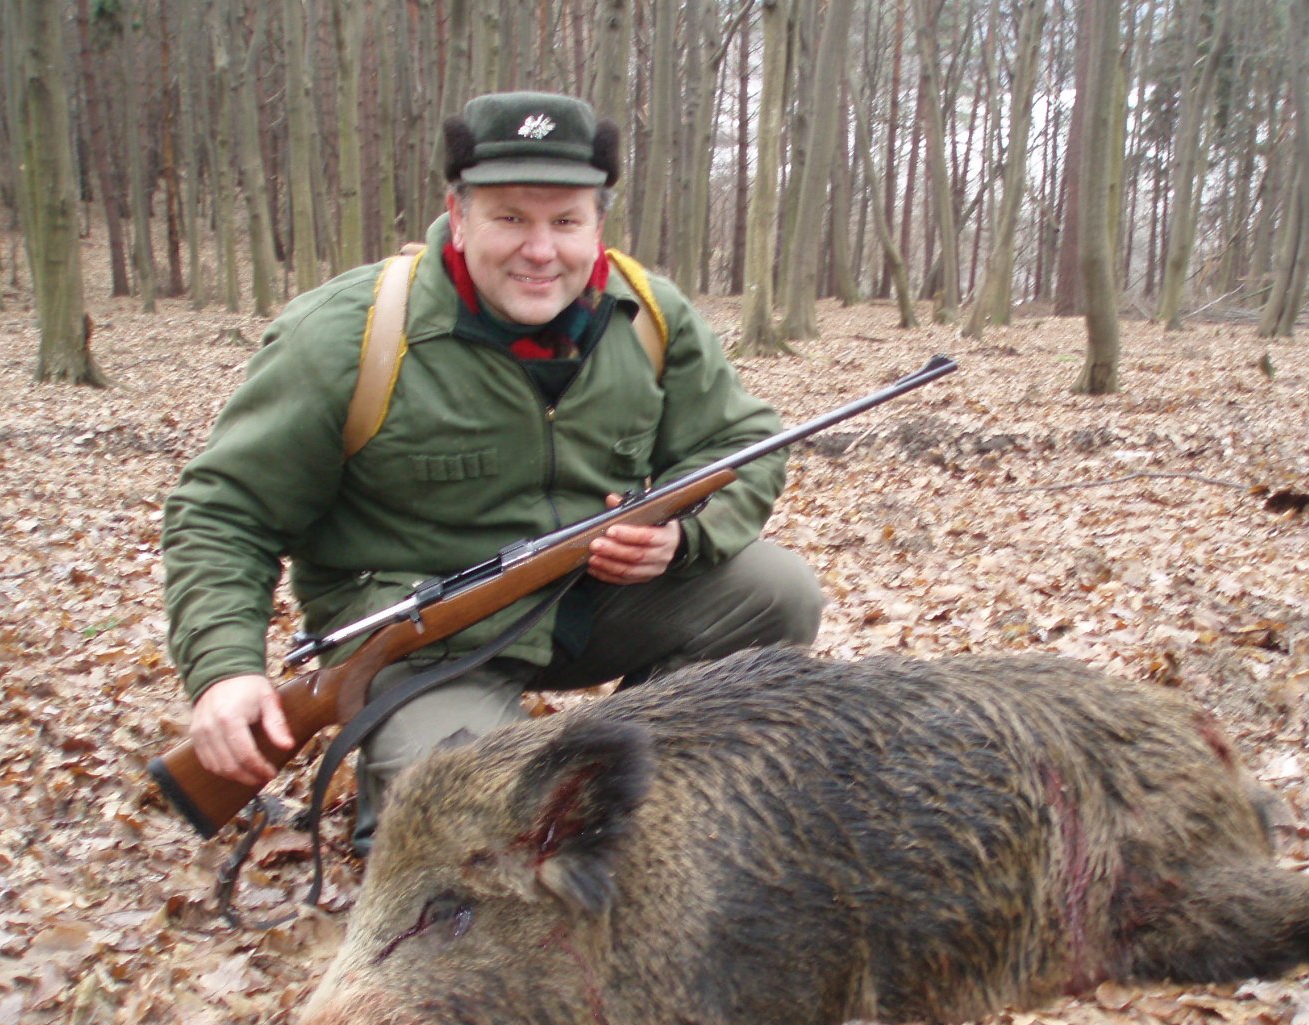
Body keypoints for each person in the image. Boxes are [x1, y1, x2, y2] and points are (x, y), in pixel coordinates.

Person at [161, 91, 822, 852]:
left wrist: (683, 536)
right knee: (494, 833)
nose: (540, 250)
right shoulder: (351, 333)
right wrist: (225, 671)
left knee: (778, 592)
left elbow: (744, 441)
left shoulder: (646, 313)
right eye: (510, 217)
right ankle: (419, 771)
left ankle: (635, 779)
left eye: (565, 222)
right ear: (459, 214)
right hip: (419, 646)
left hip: (583, 603)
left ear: (597, 225)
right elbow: (224, 510)